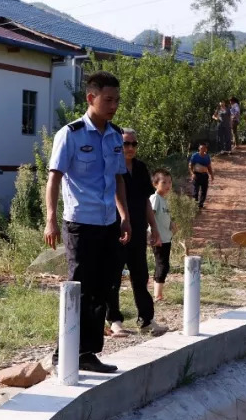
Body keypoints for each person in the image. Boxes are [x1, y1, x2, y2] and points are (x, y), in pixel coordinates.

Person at [44, 71, 131, 375]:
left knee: (103, 289)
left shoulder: (115, 135)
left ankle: (87, 353)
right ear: (91, 98)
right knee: (79, 288)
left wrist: (124, 216)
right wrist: (51, 219)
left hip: (108, 222)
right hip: (80, 223)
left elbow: (118, 178)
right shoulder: (71, 133)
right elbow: (54, 177)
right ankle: (62, 354)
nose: (113, 105)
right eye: (108, 99)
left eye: (117, 100)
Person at [106, 129, 167, 338]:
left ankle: (146, 320)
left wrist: (155, 229)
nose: (130, 148)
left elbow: (146, 203)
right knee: (113, 275)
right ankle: (114, 320)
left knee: (140, 275)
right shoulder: (112, 166)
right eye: (126, 144)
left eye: (133, 144)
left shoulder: (141, 168)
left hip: (139, 230)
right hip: (115, 229)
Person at [149, 169, 175, 302]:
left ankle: (158, 294)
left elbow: (164, 217)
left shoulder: (164, 201)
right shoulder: (155, 198)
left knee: (164, 265)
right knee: (162, 265)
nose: (168, 185)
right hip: (159, 239)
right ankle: (157, 296)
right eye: (164, 182)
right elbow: (150, 215)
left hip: (166, 238)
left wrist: (171, 224)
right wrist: (153, 234)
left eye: (169, 182)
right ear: (155, 184)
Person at [189, 142, 214, 210]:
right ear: (199, 149)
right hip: (196, 175)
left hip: (204, 176)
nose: (203, 150)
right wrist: (192, 174)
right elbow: (190, 165)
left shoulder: (207, 157)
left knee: (204, 191)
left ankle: (200, 205)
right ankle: (194, 205)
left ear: (206, 149)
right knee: (195, 191)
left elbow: (209, 167)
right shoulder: (195, 156)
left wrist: (211, 175)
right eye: (201, 148)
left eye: (204, 148)